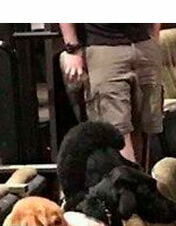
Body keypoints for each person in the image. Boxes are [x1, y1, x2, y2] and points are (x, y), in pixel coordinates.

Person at [58, 23, 163, 167]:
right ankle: (126, 178)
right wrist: (72, 48)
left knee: (146, 125)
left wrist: (154, 39)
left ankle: (140, 176)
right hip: (103, 47)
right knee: (116, 128)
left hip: (144, 44)